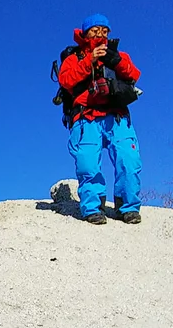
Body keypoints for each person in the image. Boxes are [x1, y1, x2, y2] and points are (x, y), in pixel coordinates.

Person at [58, 14, 143, 225]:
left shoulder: (118, 55)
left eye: (104, 31)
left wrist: (115, 60)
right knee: (87, 164)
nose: (100, 34)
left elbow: (134, 74)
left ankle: (128, 207)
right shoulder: (74, 58)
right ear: (85, 34)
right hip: (85, 118)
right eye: (95, 30)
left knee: (128, 160)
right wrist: (90, 60)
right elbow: (66, 80)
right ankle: (93, 207)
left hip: (117, 117)